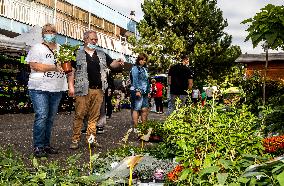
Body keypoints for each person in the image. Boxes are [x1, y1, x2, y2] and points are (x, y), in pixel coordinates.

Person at [68, 30, 124, 149]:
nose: (94, 41)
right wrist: (71, 86)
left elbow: (112, 64)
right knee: (79, 115)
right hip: (82, 90)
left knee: (94, 117)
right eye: (92, 39)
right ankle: (75, 140)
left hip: (98, 90)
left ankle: (91, 140)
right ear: (85, 39)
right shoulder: (77, 53)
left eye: (96, 39)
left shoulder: (102, 54)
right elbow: (71, 72)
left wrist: (118, 62)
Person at [26, 23, 70, 158]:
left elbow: (68, 66)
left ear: (56, 34)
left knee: (50, 118)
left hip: (56, 88)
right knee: (42, 115)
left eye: (52, 31)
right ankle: (38, 146)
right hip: (39, 87)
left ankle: (46, 144)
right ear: (43, 34)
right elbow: (33, 65)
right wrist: (53, 68)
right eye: (47, 31)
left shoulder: (62, 49)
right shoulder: (37, 48)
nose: (50, 33)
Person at [130, 53, 150, 130]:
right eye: (141, 60)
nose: (143, 61)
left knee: (145, 109)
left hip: (144, 92)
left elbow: (147, 81)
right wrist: (137, 90)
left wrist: (148, 92)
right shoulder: (135, 68)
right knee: (136, 108)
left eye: (144, 60)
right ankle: (136, 127)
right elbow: (135, 80)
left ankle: (144, 127)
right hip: (138, 91)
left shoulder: (145, 69)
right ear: (138, 60)